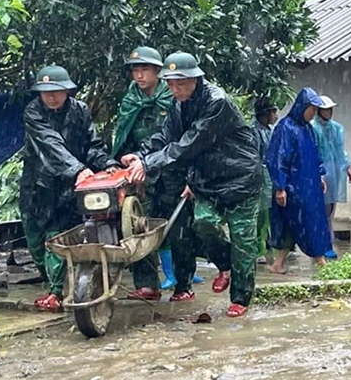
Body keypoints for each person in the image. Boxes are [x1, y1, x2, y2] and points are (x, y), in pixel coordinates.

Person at [122, 52, 262, 318]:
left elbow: (189, 143)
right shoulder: (178, 105)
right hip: (208, 179)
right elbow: (166, 135)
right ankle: (226, 265)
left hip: (240, 177)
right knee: (203, 223)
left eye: (181, 83)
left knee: (243, 239)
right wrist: (141, 156)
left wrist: (149, 164)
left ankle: (241, 298)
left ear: (196, 79)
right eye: (171, 83)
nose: (175, 89)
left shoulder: (217, 103)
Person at [20, 65, 119, 312]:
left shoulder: (80, 111)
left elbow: (92, 145)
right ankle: (52, 284)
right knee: (34, 239)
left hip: (70, 188)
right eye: (45, 92)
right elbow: (50, 146)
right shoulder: (33, 113)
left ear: (67, 90)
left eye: (56, 91)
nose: (51, 96)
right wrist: (77, 168)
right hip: (37, 187)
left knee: (57, 237)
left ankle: (55, 291)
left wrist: (107, 164)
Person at [112, 46, 203, 301]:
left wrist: (190, 177)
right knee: (138, 226)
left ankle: (183, 286)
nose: (139, 76)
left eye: (145, 69)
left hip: (174, 172)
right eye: (135, 70)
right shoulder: (131, 99)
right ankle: (146, 284)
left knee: (181, 231)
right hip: (143, 174)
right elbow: (123, 134)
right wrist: (129, 163)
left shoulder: (174, 95)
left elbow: (185, 140)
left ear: (157, 71)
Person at [267, 88, 332, 273]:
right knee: (290, 224)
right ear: (302, 107)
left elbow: (314, 154)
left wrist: (319, 176)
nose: (313, 113)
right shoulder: (285, 127)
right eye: (311, 108)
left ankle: (284, 263)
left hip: (308, 185)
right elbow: (278, 158)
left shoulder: (307, 128)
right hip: (291, 187)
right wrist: (280, 187)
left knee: (310, 221)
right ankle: (316, 262)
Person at [311, 95, 351, 260]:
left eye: (330, 109)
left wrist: (348, 166)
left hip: (335, 170)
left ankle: (326, 242)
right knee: (321, 209)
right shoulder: (313, 128)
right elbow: (313, 151)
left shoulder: (336, 128)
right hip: (320, 170)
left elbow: (340, 149)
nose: (328, 112)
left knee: (330, 209)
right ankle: (322, 243)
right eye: (325, 109)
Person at [252, 96, 278, 265]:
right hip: (260, 177)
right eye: (273, 111)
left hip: (270, 176)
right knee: (260, 216)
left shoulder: (268, 130)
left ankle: (271, 247)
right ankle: (257, 250)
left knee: (269, 214)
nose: (276, 115)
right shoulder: (253, 131)